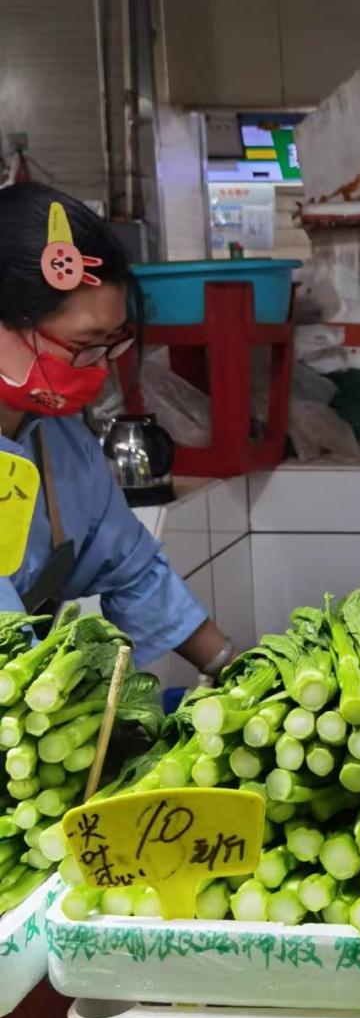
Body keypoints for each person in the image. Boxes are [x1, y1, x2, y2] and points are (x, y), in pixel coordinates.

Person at [0, 181, 233, 674]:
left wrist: (232, 666)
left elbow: (132, 569)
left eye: (111, 344)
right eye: (85, 344)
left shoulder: (59, 443)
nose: (99, 368)